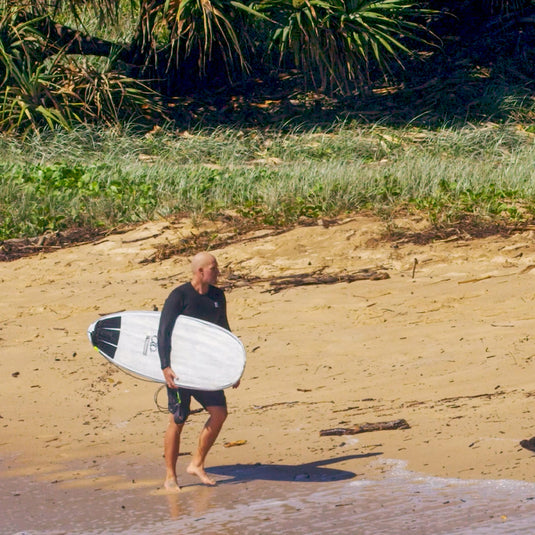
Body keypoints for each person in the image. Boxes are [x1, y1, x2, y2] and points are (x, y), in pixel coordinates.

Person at [158, 252, 238, 491]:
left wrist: (233, 366)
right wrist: (165, 366)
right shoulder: (179, 296)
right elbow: (163, 331)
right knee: (178, 419)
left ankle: (197, 463)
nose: (218, 272)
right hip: (180, 370)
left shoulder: (217, 296)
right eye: (214, 268)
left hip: (205, 369)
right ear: (200, 271)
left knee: (219, 413)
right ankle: (170, 475)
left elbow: (224, 332)